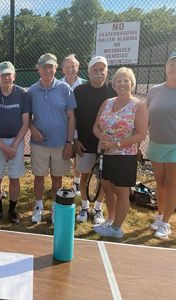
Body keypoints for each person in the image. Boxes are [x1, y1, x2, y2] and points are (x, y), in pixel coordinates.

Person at [92, 67, 148, 238]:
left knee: (122, 192)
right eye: (119, 81)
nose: (122, 84)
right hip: (105, 154)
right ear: (114, 84)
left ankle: (117, 229)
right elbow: (95, 126)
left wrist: (116, 144)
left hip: (125, 157)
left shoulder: (138, 105)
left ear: (131, 83)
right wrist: (101, 136)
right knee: (107, 188)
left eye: (126, 80)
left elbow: (141, 134)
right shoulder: (107, 102)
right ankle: (111, 220)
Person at [28, 53, 76, 224]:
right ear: (38, 68)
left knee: (57, 178)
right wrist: (32, 129)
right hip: (39, 144)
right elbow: (26, 117)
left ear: (56, 68)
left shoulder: (65, 89)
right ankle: (39, 207)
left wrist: (69, 142)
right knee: (39, 176)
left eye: (51, 66)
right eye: (44, 66)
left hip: (60, 144)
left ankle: (55, 207)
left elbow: (71, 117)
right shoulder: (32, 91)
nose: (47, 70)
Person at [0, 61, 29, 223]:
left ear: (14, 76)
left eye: (9, 74)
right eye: (3, 74)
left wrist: (14, 145)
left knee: (14, 178)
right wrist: (2, 146)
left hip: (16, 142)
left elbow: (25, 123)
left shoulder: (23, 94)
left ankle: (12, 210)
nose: (6, 77)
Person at [74, 56, 117, 225]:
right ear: (89, 72)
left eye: (102, 70)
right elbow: (74, 118)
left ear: (106, 71)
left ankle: (98, 209)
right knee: (84, 176)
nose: (98, 73)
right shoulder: (79, 91)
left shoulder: (113, 90)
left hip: (107, 145)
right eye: (95, 70)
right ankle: (84, 207)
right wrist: (75, 140)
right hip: (85, 143)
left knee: (104, 179)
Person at [147, 51, 176, 239]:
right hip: (155, 145)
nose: (175, 68)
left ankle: (166, 224)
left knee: (171, 186)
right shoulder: (154, 90)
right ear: (166, 67)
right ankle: (160, 216)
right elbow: (145, 118)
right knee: (160, 185)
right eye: (172, 64)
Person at [60, 54, 87, 196]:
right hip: (62, 126)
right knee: (61, 155)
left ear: (78, 67)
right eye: (67, 67)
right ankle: (56, 183)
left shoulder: (84, 84)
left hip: (81, 126)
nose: (70, 69)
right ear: (62, 69)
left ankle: (76, 182)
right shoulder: (57, 84)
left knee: (78, 156)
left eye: (73, 66)